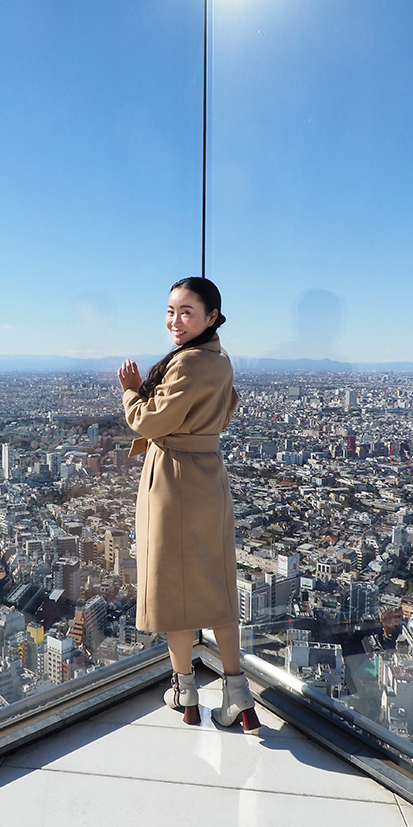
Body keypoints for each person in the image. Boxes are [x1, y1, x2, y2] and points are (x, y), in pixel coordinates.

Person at [117, 276, 259, 733]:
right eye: (171, 311)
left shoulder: (187, 364)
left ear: (211, 317)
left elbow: (148, 419)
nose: (175, 321)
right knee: (216, 582)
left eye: (186, 312)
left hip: (174, 477)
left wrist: (132, 391)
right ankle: (239, 695)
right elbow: (226, 408)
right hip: (208, 475)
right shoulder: (220, 360)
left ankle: (185, 690)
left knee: (172, 585)